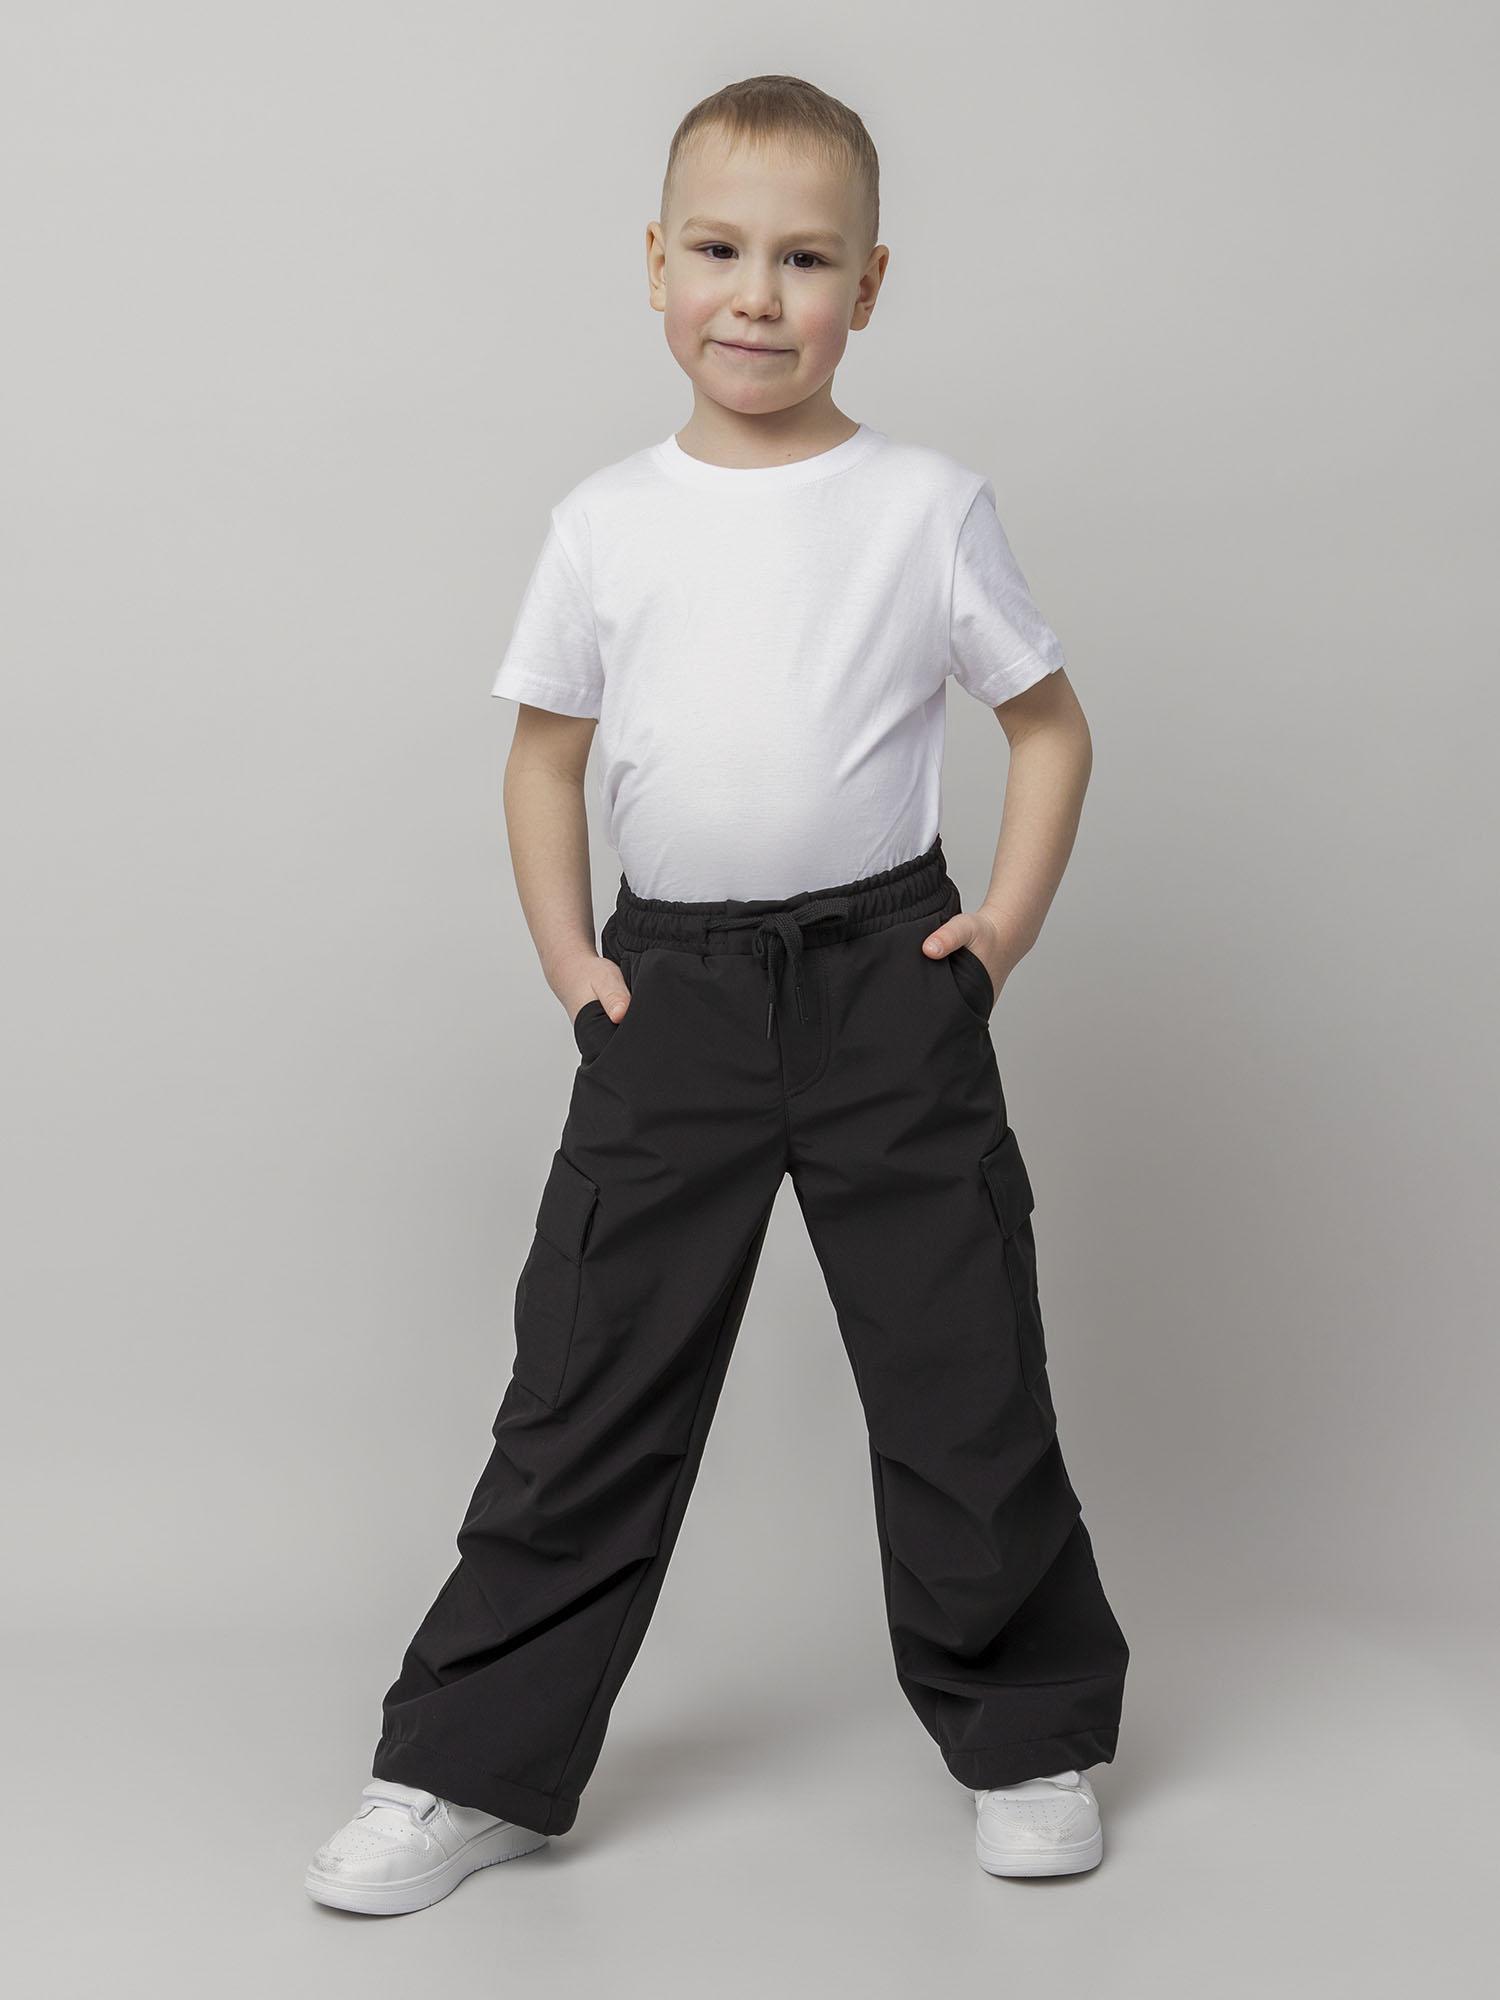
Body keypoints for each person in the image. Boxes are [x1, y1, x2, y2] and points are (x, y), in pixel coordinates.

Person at [305, 72, 1129, 1917]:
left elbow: (1049, 727)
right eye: (720, 251)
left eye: (807, 260)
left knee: (961, 1368)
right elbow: (545, 756)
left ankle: (1028, 1733)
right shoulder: (606, 519)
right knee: (586, 1387)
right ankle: (469, 1768)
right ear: (656, 264)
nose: (758, 296)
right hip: (668, 992)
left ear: (870, 285)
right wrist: (572, 961)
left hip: (887, 984)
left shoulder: (923, 505)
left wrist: (998, 932)